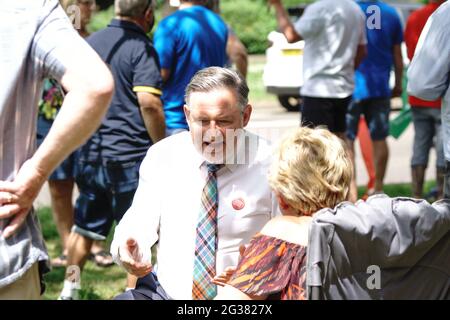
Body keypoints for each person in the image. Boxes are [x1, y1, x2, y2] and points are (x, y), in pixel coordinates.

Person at [111, 67, 279, 300]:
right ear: (187, 116)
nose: (213, 133)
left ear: (246, 116)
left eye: (223, 121)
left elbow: (294, 244)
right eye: (202, 121)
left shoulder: (273, 164)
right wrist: (128, 247)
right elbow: (138, 220)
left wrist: (255, 274)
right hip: (167, 294)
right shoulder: (163, 156)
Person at [0, 0, 113, 299]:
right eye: (83, 3)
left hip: (81, 137)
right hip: (50, 130)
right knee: (62, 193)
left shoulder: (85, 41)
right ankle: (69, 255)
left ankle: (89, 252)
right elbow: (90, 87)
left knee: (86, 202)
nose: (88, 9)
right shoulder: (38, 21)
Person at [59, 0, 165, 300]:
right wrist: (160, 146)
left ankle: (70, 288)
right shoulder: (140, 47)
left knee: (84, 228)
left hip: (92, 154)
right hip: (130, 157)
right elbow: (149, 102)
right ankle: (134, 294)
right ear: (147, 15)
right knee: (137, 234)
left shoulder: (89, 44)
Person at [214, 127, 352, 300]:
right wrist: (246, 276)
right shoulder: (362, 228)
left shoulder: (284, 231)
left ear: (282, 197)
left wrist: (243, 281)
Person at [36, 0, 111, 268]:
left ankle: (95, 244)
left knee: (91, 181)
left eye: (90, 4)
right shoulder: (46, 38)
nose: (90, 8)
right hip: (48, 118)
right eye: (84, 3)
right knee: (59, 186)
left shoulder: (93, 41)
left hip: (85, 119)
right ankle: (70, 247)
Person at [268, 0, 367, 140]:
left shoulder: (319, 8)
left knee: (313, 146)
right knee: (340, 140)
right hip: (344, 87)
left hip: (317, 90)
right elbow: (362, 50)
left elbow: (290, 35)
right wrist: (346, 70)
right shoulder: (355, 10)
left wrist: (277, 5)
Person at [345, 0, 404, 201]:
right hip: (379, 86)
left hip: (350, 85)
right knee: (379, 138)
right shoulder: (391, 13)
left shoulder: (347, 10)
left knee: (347, 140)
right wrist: (398, 82)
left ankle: (351, 191)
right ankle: (378, 188)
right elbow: (397, 54)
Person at [154, 0, 228, 136]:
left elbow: (160, 74)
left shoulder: (170, 24)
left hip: (178, 119)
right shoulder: (218, 22)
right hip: (212, 117)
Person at [407, 1, 450, 198]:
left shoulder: (421, 16)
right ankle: (440, 195)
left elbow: (411, 55)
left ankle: (417, 196)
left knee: (420, 145)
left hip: (423, 99)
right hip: (436, 99)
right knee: (440, 149)